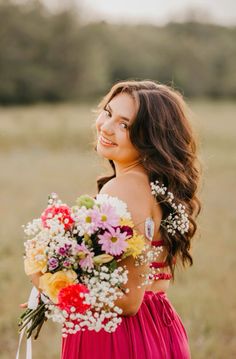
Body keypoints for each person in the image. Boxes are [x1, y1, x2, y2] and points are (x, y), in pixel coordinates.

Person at [61, 80, 201, 359]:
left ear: (150, 139)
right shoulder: (154, 187)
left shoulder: (123, 188)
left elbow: (127, 300)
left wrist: (50, 285)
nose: (106, 127)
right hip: (159, 325)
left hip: (120, 336)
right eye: (108, 112)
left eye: (125, 125)